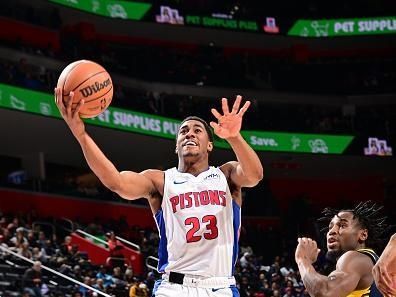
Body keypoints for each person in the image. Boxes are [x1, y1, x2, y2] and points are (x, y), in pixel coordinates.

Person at [54, 88, 263, 296]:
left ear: (209, 145)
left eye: (197, 130)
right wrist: (81, 135)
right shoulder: (160, 180)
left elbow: (255, 176)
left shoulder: (225, 175)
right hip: (174, 287)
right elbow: (116, 182)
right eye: (183, 131)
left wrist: (235, 138)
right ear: (176, 146)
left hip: (220, 287)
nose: (189, 133)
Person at [295, 201, 388, 297]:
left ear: (363, 235)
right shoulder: (371, 262)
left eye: (342, 225)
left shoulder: (354, 258)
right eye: (330, 227)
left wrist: (302, 259)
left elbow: (325, 292)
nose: (332, 231)